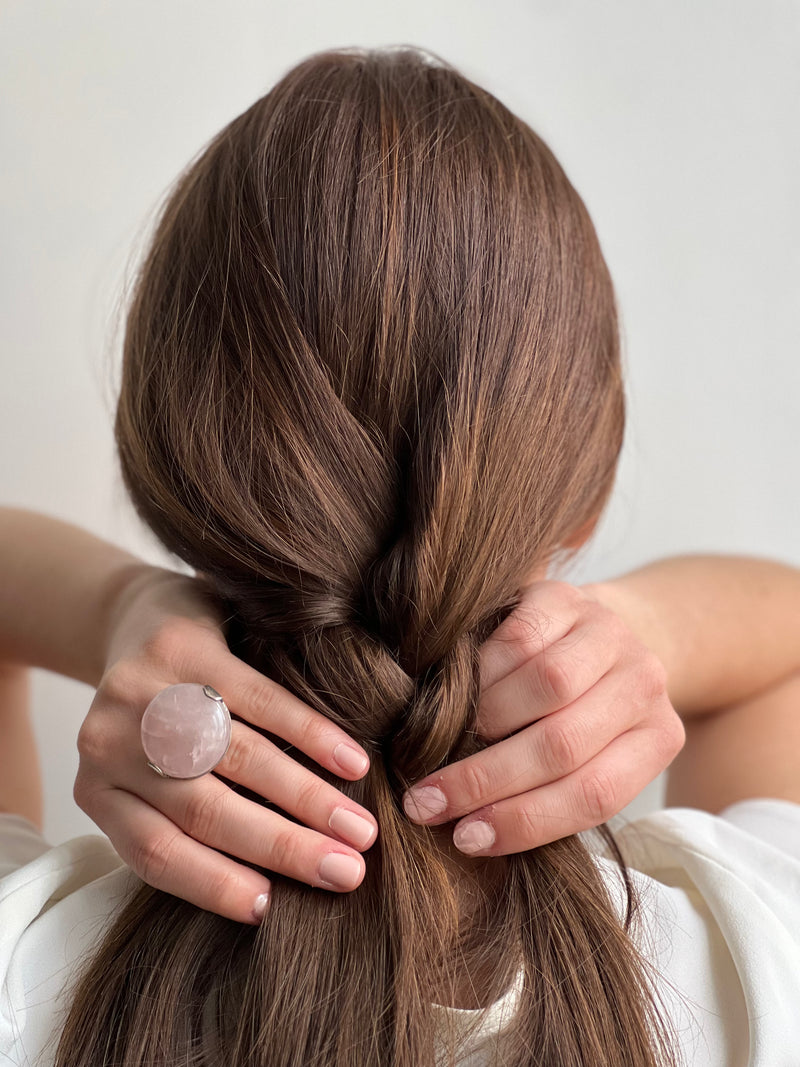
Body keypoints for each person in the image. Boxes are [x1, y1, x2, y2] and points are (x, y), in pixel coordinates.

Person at [1, 43, 800, 1067]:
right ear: (587, 482)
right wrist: (640, 630)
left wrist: (117, 607)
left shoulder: (26, 969)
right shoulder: (755, 959)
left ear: (166, 467)